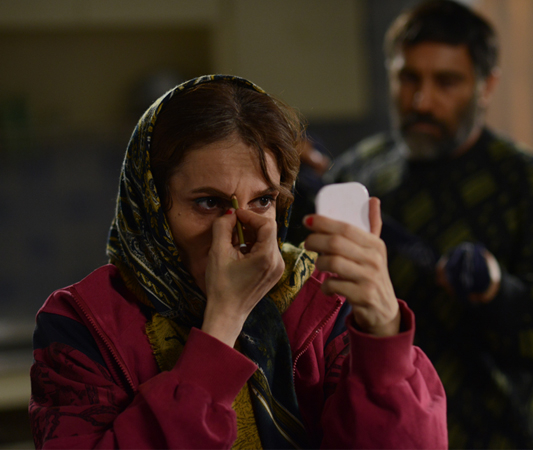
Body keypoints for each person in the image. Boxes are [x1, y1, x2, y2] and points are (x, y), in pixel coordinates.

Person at [28, 75, 448, 449]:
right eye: (208, 203)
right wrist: (223, 322)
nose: (241, 230)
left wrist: (384, 337)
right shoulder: (82, 322)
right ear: (151, 206)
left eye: (262, 200)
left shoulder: (323, 298)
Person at [323, 1, 533, 448]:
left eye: (446, 82)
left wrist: (501, 294)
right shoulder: (359, 173)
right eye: (409, 78)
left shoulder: (529, 187)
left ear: (487, 86)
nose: (422, 101)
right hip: (372, 436)